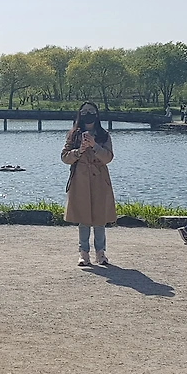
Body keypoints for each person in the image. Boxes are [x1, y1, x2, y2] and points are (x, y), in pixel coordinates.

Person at [62, 102, 116, 267]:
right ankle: (83, 253)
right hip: (80, 179)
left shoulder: (104, 135)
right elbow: (65, 157)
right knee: (83, 218)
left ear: (97, 114)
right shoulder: (73, 135)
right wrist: (79, 151)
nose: (88, 114)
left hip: (100, 179)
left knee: (100, 218)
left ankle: (101, 253)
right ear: (80, 114)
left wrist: (94, 145)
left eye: (91, 111)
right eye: (84, 111)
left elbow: (108, 157)